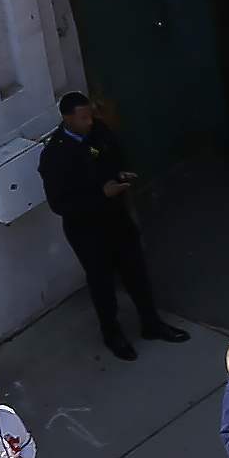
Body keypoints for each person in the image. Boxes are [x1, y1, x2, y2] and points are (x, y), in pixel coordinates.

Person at [40, 92, 184, 358]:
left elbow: (111, 157)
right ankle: (112, 333)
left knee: (136, 272)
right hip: (87, 230)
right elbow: (60, 204)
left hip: (116, 218)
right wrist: (100, 195)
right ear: (67, 118)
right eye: (83, 118)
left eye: (90, 116)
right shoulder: (55, 155)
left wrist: (119, 174)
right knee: (102, 283)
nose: (89, 122)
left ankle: (150, 323)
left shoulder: (98, 133)